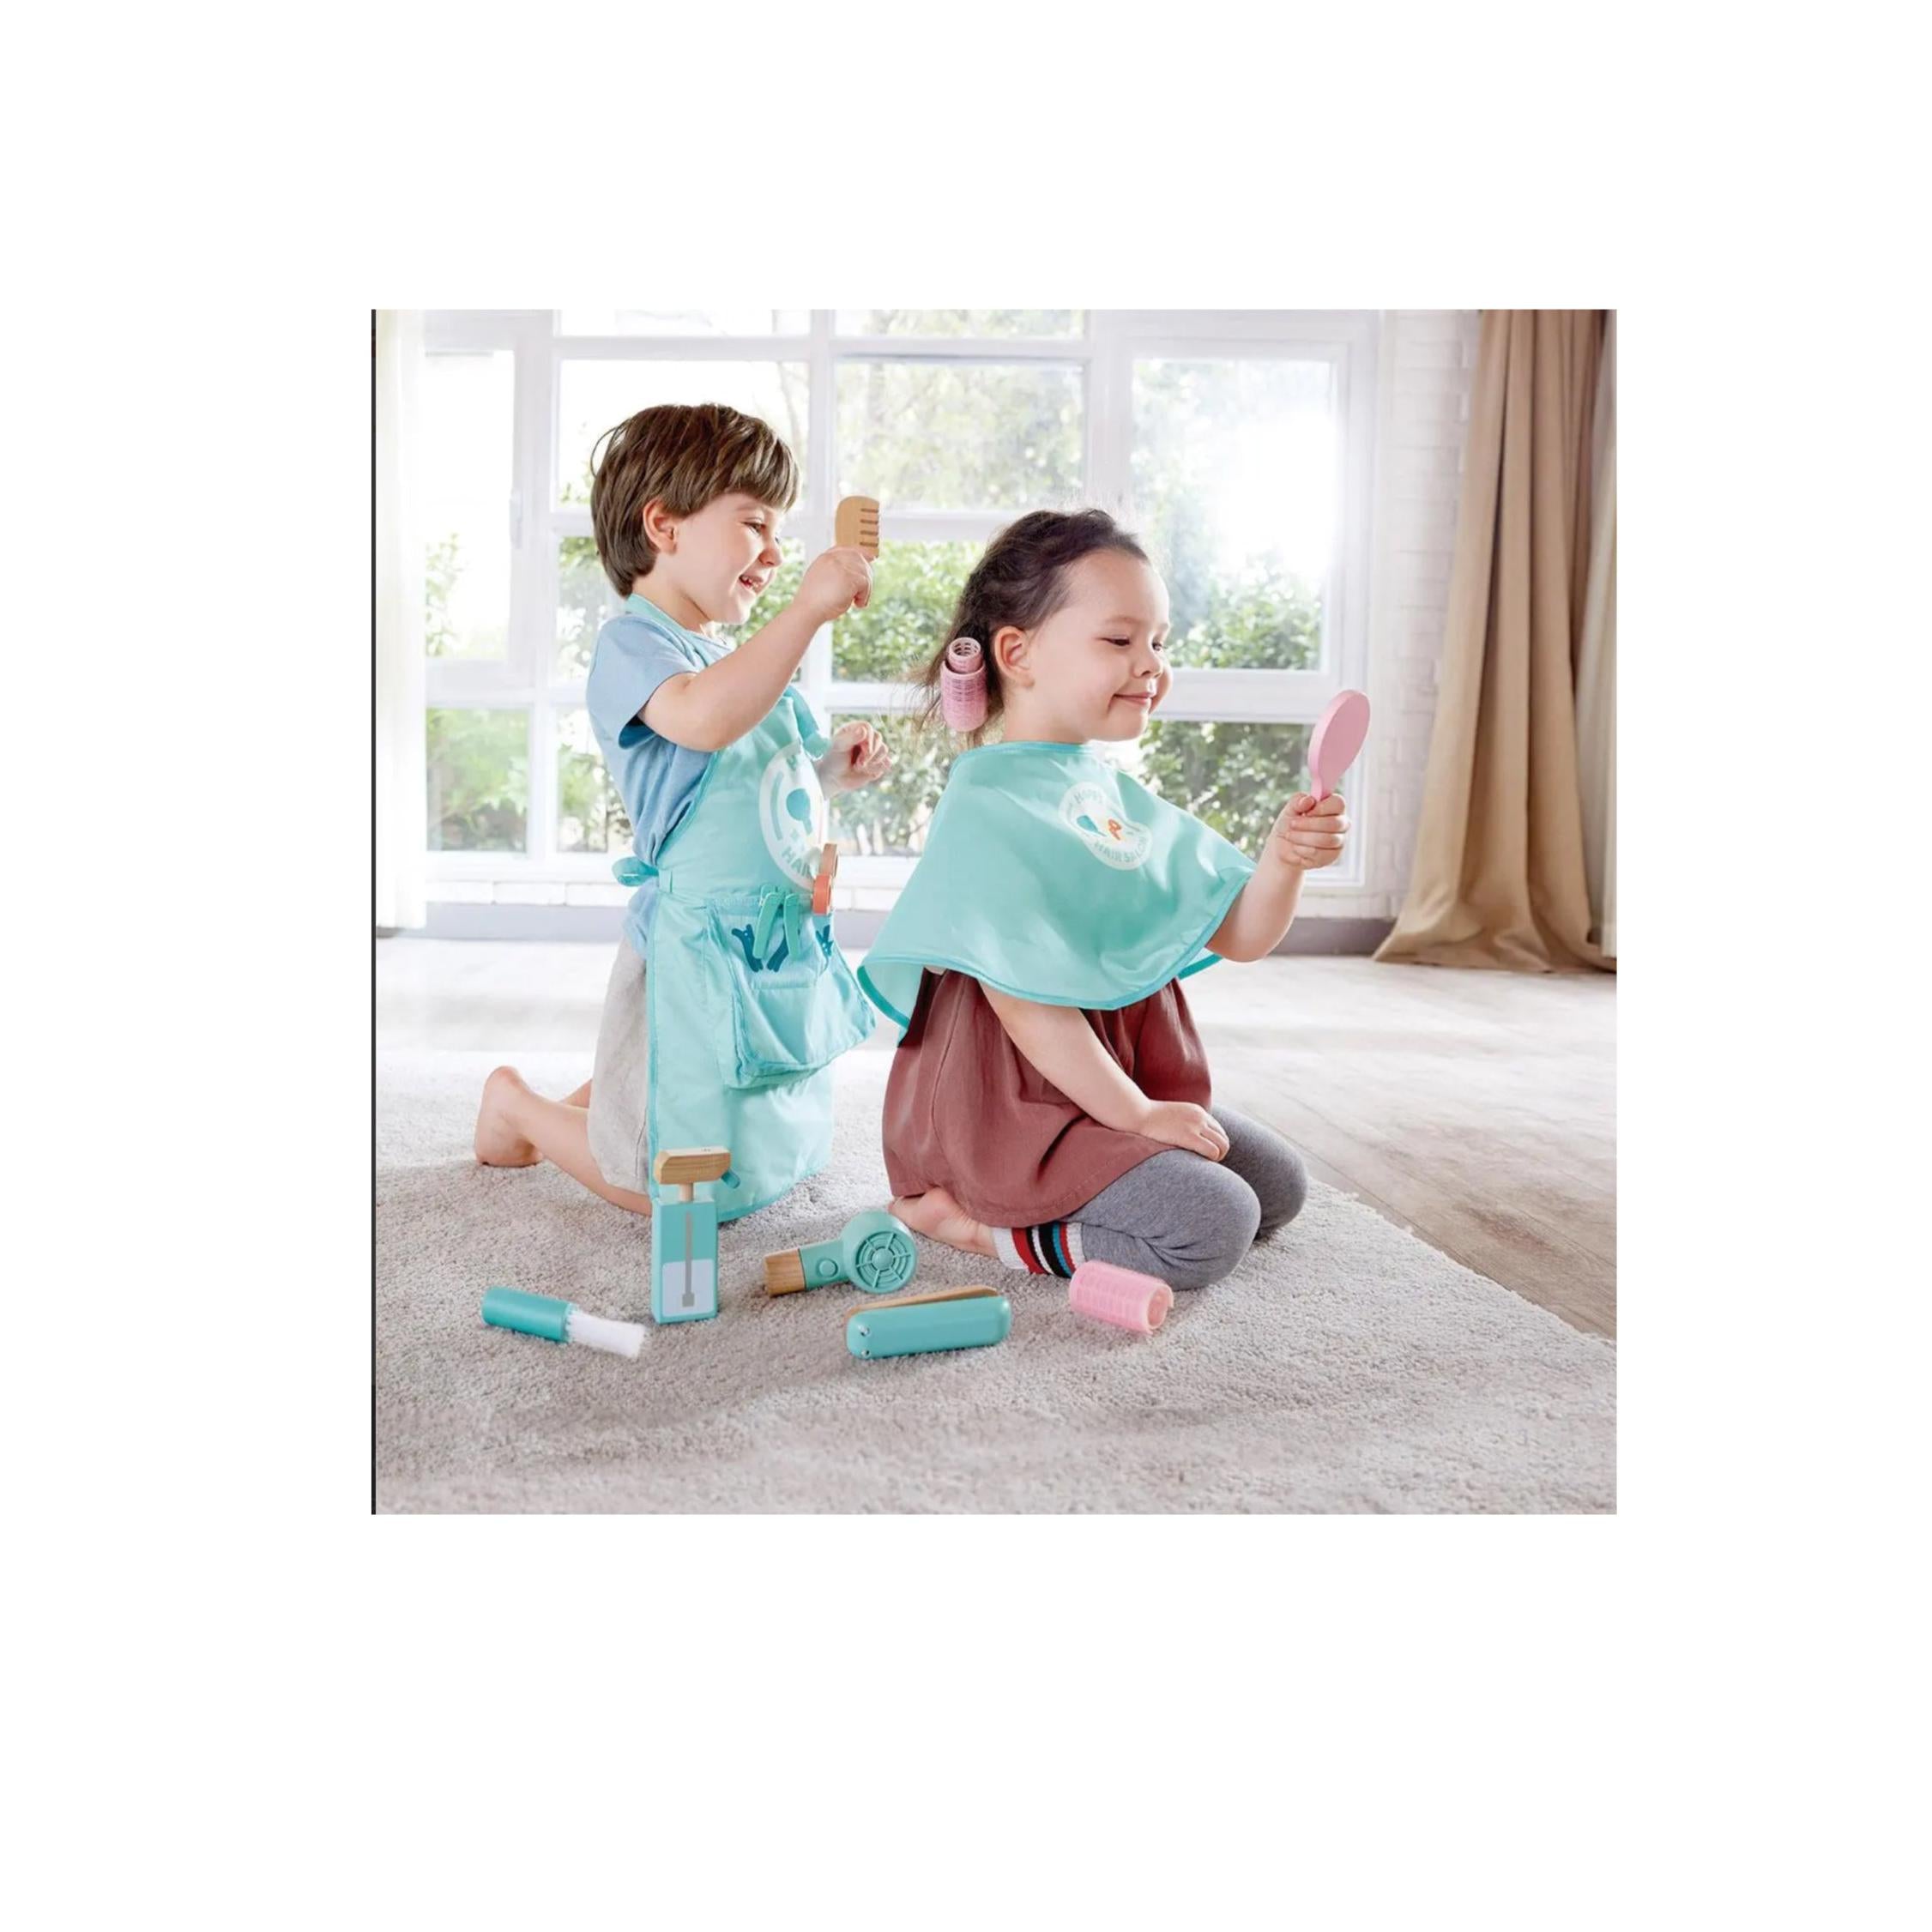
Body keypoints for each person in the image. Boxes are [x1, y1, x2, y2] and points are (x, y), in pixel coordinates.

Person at [857, 509, 1347, 1289]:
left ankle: (1100, 1168)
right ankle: (980, 1229)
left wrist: (1284, 859)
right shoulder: (987, 805)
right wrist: (1137, 1116)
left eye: (1160, 643)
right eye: (1120, 640)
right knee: (1213, 1225)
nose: (1150, 664)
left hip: (1109, 1090)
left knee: (1278, 1188)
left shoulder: (1110, 794)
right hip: (1013, 1110)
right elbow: (1026, 1005)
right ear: (1016, 653)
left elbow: (1243, 933)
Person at [474, 402, 891, 1220]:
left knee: (749, 1128)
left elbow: (760, 785)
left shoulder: (732, 660)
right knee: (679, 1190)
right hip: (693, 945)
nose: (774, 554)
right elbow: (703, 720)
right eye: (755, 524)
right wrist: (805, 611)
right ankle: (515, 1106)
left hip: (764, 937)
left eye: (778, 533)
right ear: (663, 525)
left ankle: (591, 1105)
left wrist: (827, 773)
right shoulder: (635, 647)